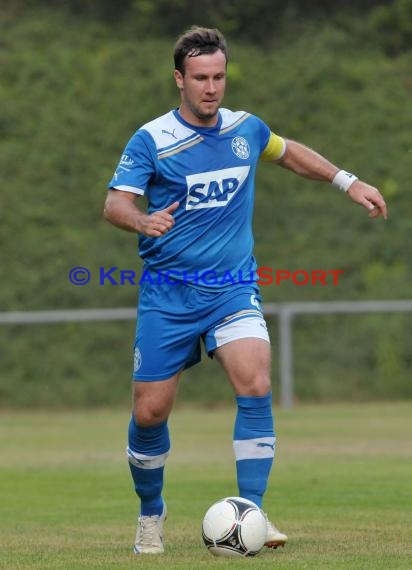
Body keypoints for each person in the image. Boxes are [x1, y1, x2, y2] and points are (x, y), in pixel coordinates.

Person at [104, 26, 387, 555]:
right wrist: (140, 222)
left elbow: (288, 153)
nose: (212, 88)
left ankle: (251, 510)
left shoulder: (246, 129)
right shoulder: (153, 140)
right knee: (149, 413)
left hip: (232, 287)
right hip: (168, 294)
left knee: (255, 382)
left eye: (219, 76)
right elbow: (115, 202)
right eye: (200, 78)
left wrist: (348, 182)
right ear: (179, 80)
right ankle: (150, 512)